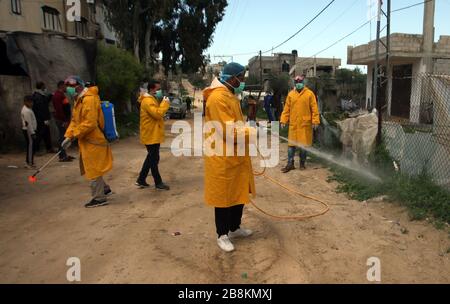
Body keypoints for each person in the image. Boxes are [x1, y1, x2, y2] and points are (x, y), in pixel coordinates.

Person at [203, 62, 256, 252]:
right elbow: (229, 131)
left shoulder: (230, 95)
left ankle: (235, 227)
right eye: (241, 78)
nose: (242, 82)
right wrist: (253, 131)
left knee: (238, 192)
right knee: (224, 196)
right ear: (233, 78)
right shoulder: (217, 98)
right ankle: (222, 234)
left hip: (235, 154)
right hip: (222, 155)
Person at [62, 76, 113, 208]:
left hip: (93, 140)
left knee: (93, 168)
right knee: (91, 166)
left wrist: (74, 135)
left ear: (78, 86)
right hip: (86, 140)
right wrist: (68, 135)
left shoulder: (89, 99)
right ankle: (104, 188)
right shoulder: (79, 100)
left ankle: (99, 198)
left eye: (70, 86)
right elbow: (75, 121)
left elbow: (89, 123)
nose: (68, 88)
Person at [135, 80, 171, 190]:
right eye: (158, 89)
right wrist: (165, 104)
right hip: (150, 134)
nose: (159, 91)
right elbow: (157, 114)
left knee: (151, 157)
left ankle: (141, 179)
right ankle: (158, 183)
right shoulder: (147, 101)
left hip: (152, 133)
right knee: (154, 159)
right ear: (151, 89)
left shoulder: (150, 99)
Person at [280, 75, 320, 173]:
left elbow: (314, 109)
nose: (298, 84)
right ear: (295, 83)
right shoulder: (291, 95)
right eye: (297, 82)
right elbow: (286, 109)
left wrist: (315, 121)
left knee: (303, 146)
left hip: (304, 124)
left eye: (300, 82)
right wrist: (283, 120)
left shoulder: (309, 94)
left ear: (303, 83)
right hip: (294, 124)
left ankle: (302, 163)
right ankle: (290, 164)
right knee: (291, 146)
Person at [52, 80, 75, 162]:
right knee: (62, 137)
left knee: (64, 137)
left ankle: (64, 154)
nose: (67, 88)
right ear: (61, 86)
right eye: (65, 86)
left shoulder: (61, 95)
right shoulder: (58, 95)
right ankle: (62, 156)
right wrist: (64, 120)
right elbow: (59, 110)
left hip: (63, 119)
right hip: (61, 120)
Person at [32, 81, 54, 153]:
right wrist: (45, 119)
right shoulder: (38, 96)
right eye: (44, 86)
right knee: (40, 134)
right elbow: (41, 108)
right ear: (41, 86)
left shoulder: (40, 95)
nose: (45, 87)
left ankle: (49, 148)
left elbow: (44, 102)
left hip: (42, 118)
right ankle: (36, 149)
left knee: (46, 134)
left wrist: (50, 96)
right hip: (41, 119)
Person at [21, 95, 37, 168]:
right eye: (30, 102)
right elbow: (28, 123)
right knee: (30, 147)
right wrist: (32, 133)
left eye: (32, 102)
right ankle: (28, 162)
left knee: (31, 146)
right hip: (28, 131)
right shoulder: (26, 111)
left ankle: (30, 161)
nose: (32, 103)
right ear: (25, 102)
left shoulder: (28, 109)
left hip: (30, 130)